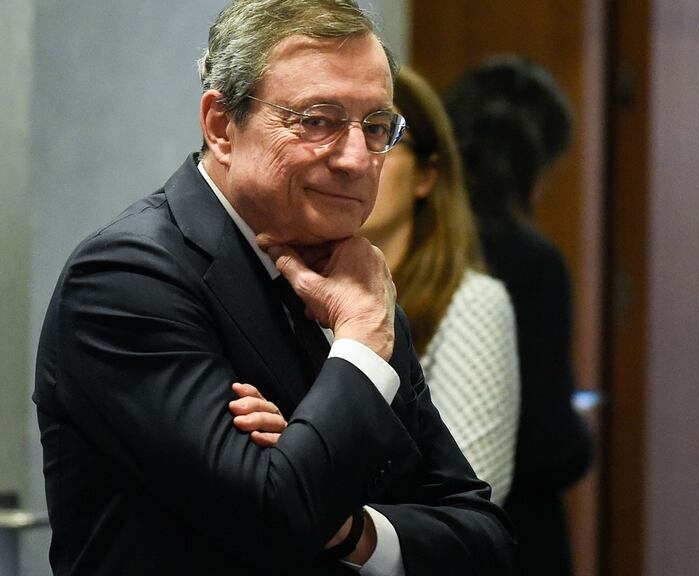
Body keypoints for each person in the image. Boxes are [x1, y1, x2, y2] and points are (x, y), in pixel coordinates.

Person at [33, 1, 515, 575]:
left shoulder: (352, 278)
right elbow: (272, 517)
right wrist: (360, 347)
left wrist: (349, 525)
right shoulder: (127, 276)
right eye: (318, 120)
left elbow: (485, 540)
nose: (357, 159)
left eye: (377, 126)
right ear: (221, 127)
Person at [446, 56, 593, 576]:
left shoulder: (415, 251)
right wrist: (583, 437)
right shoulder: (529, 263)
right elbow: (547, 443)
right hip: (512, 537)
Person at [359, 67, 520, 504]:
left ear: (427, 176)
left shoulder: (472, 305)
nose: (352, 157)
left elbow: (470, 495)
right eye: (327, 129)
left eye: (379, 133)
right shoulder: (295, 285)